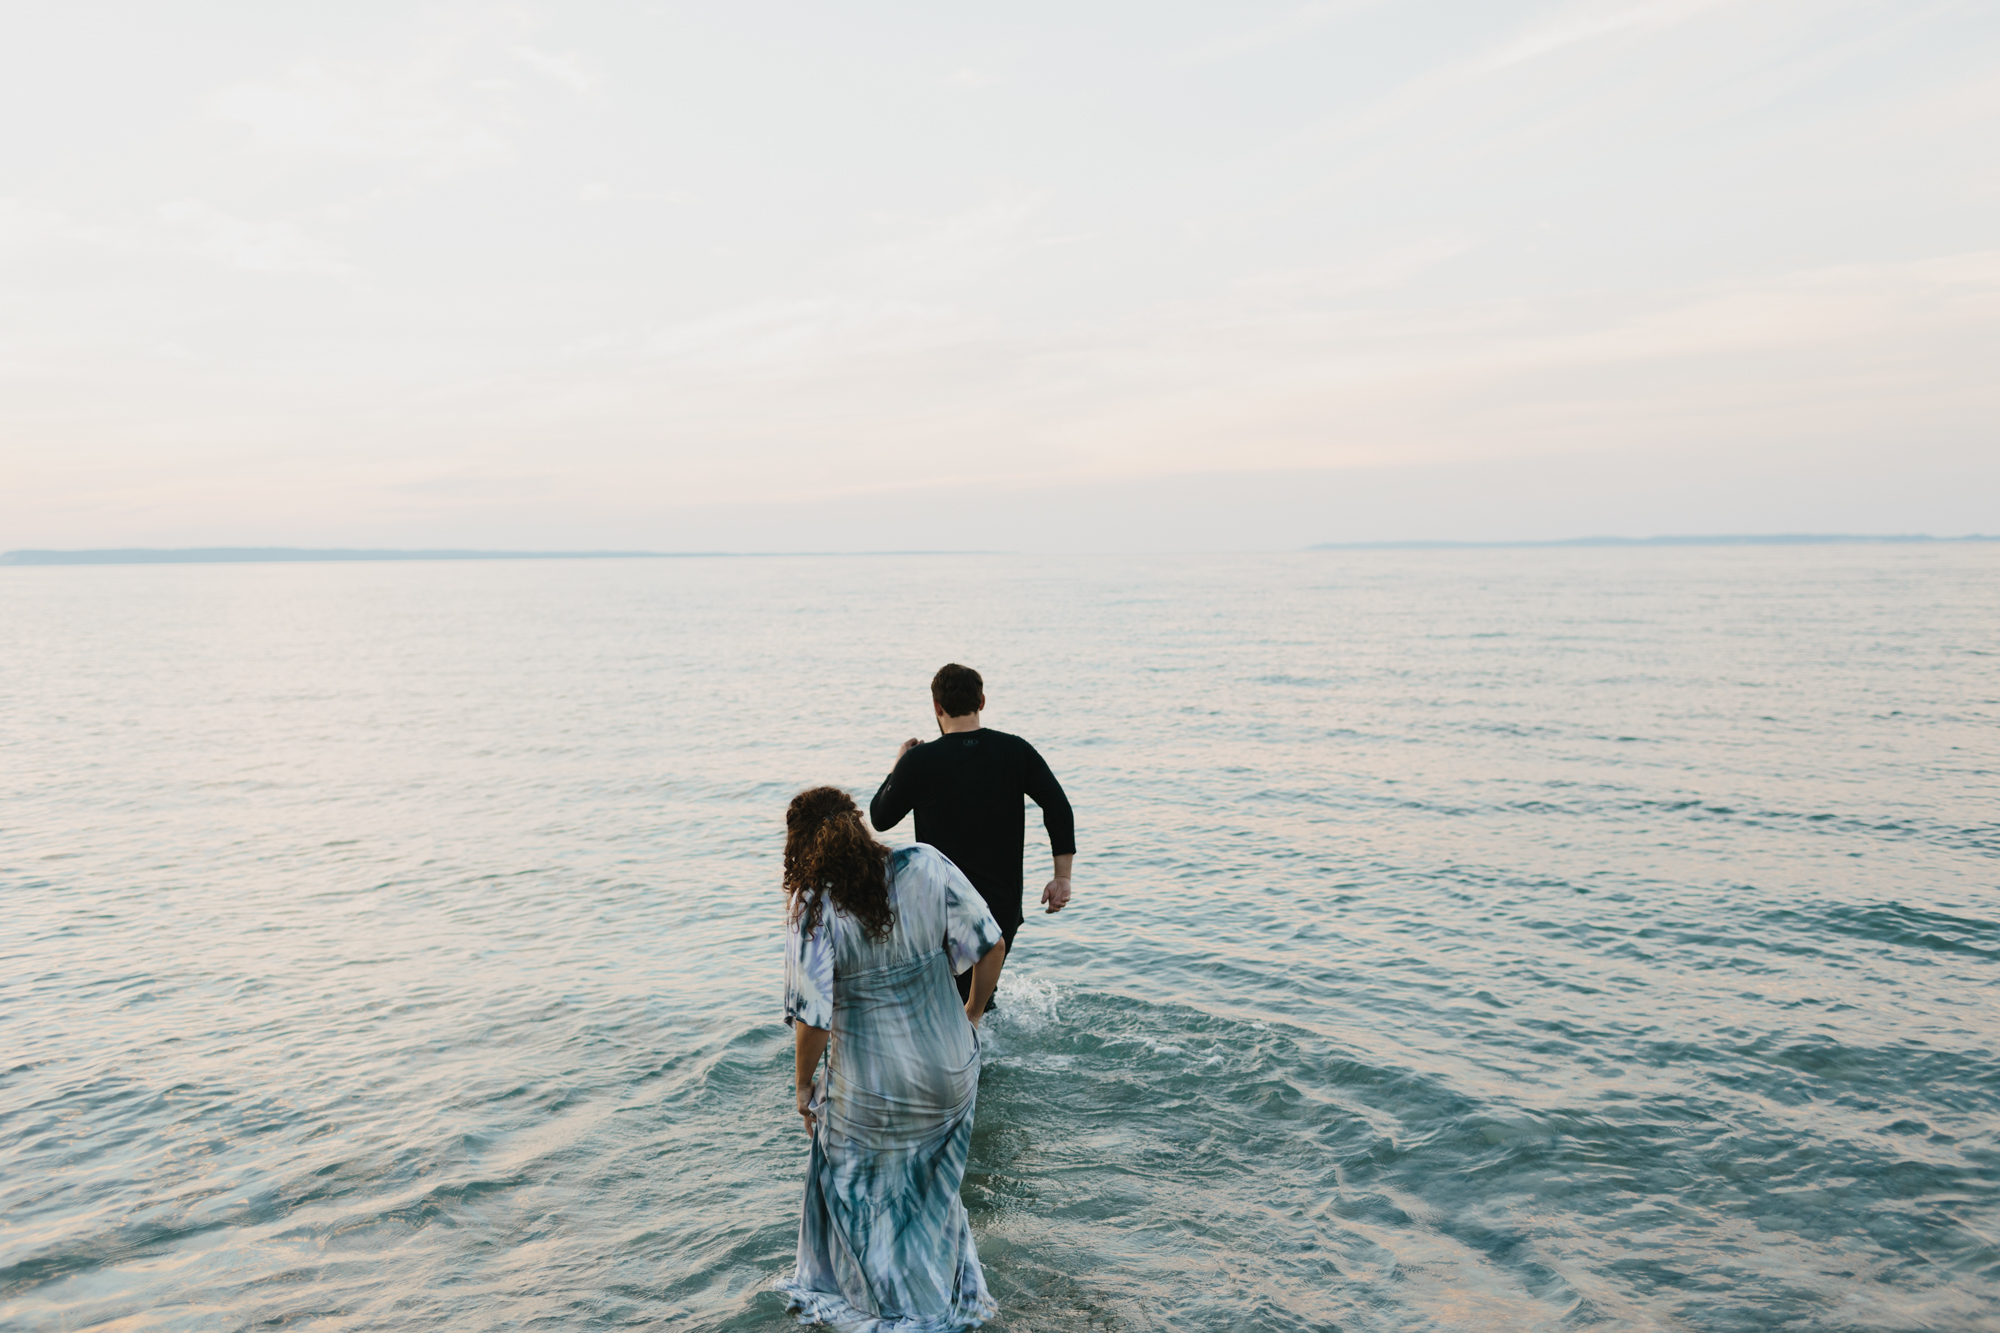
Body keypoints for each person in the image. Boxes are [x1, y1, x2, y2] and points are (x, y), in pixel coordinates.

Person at [776, 786, 1007, 1331]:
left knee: (863, 1204)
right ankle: (946, 1298)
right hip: (951, 1069)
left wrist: (803, 1086)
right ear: (859, 823)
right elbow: (991, 943)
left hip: (875, 1087)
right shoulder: (926, 863)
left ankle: (897, 1314)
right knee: (933, 1196)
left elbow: (812, 1015)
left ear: (801, 848)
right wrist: (970, 1014)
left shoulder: (814, 904)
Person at [869, 663, 1075, 1008]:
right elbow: (1059, 807)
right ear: (981, 701)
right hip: (1002, 907)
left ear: (937, 707)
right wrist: (1061, 878)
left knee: (953, 1002)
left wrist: (897, 766)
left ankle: (967, 1056)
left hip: (944, 906)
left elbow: (880, 818)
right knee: (979, 1001)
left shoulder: (919, 761)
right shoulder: (1015, 750)